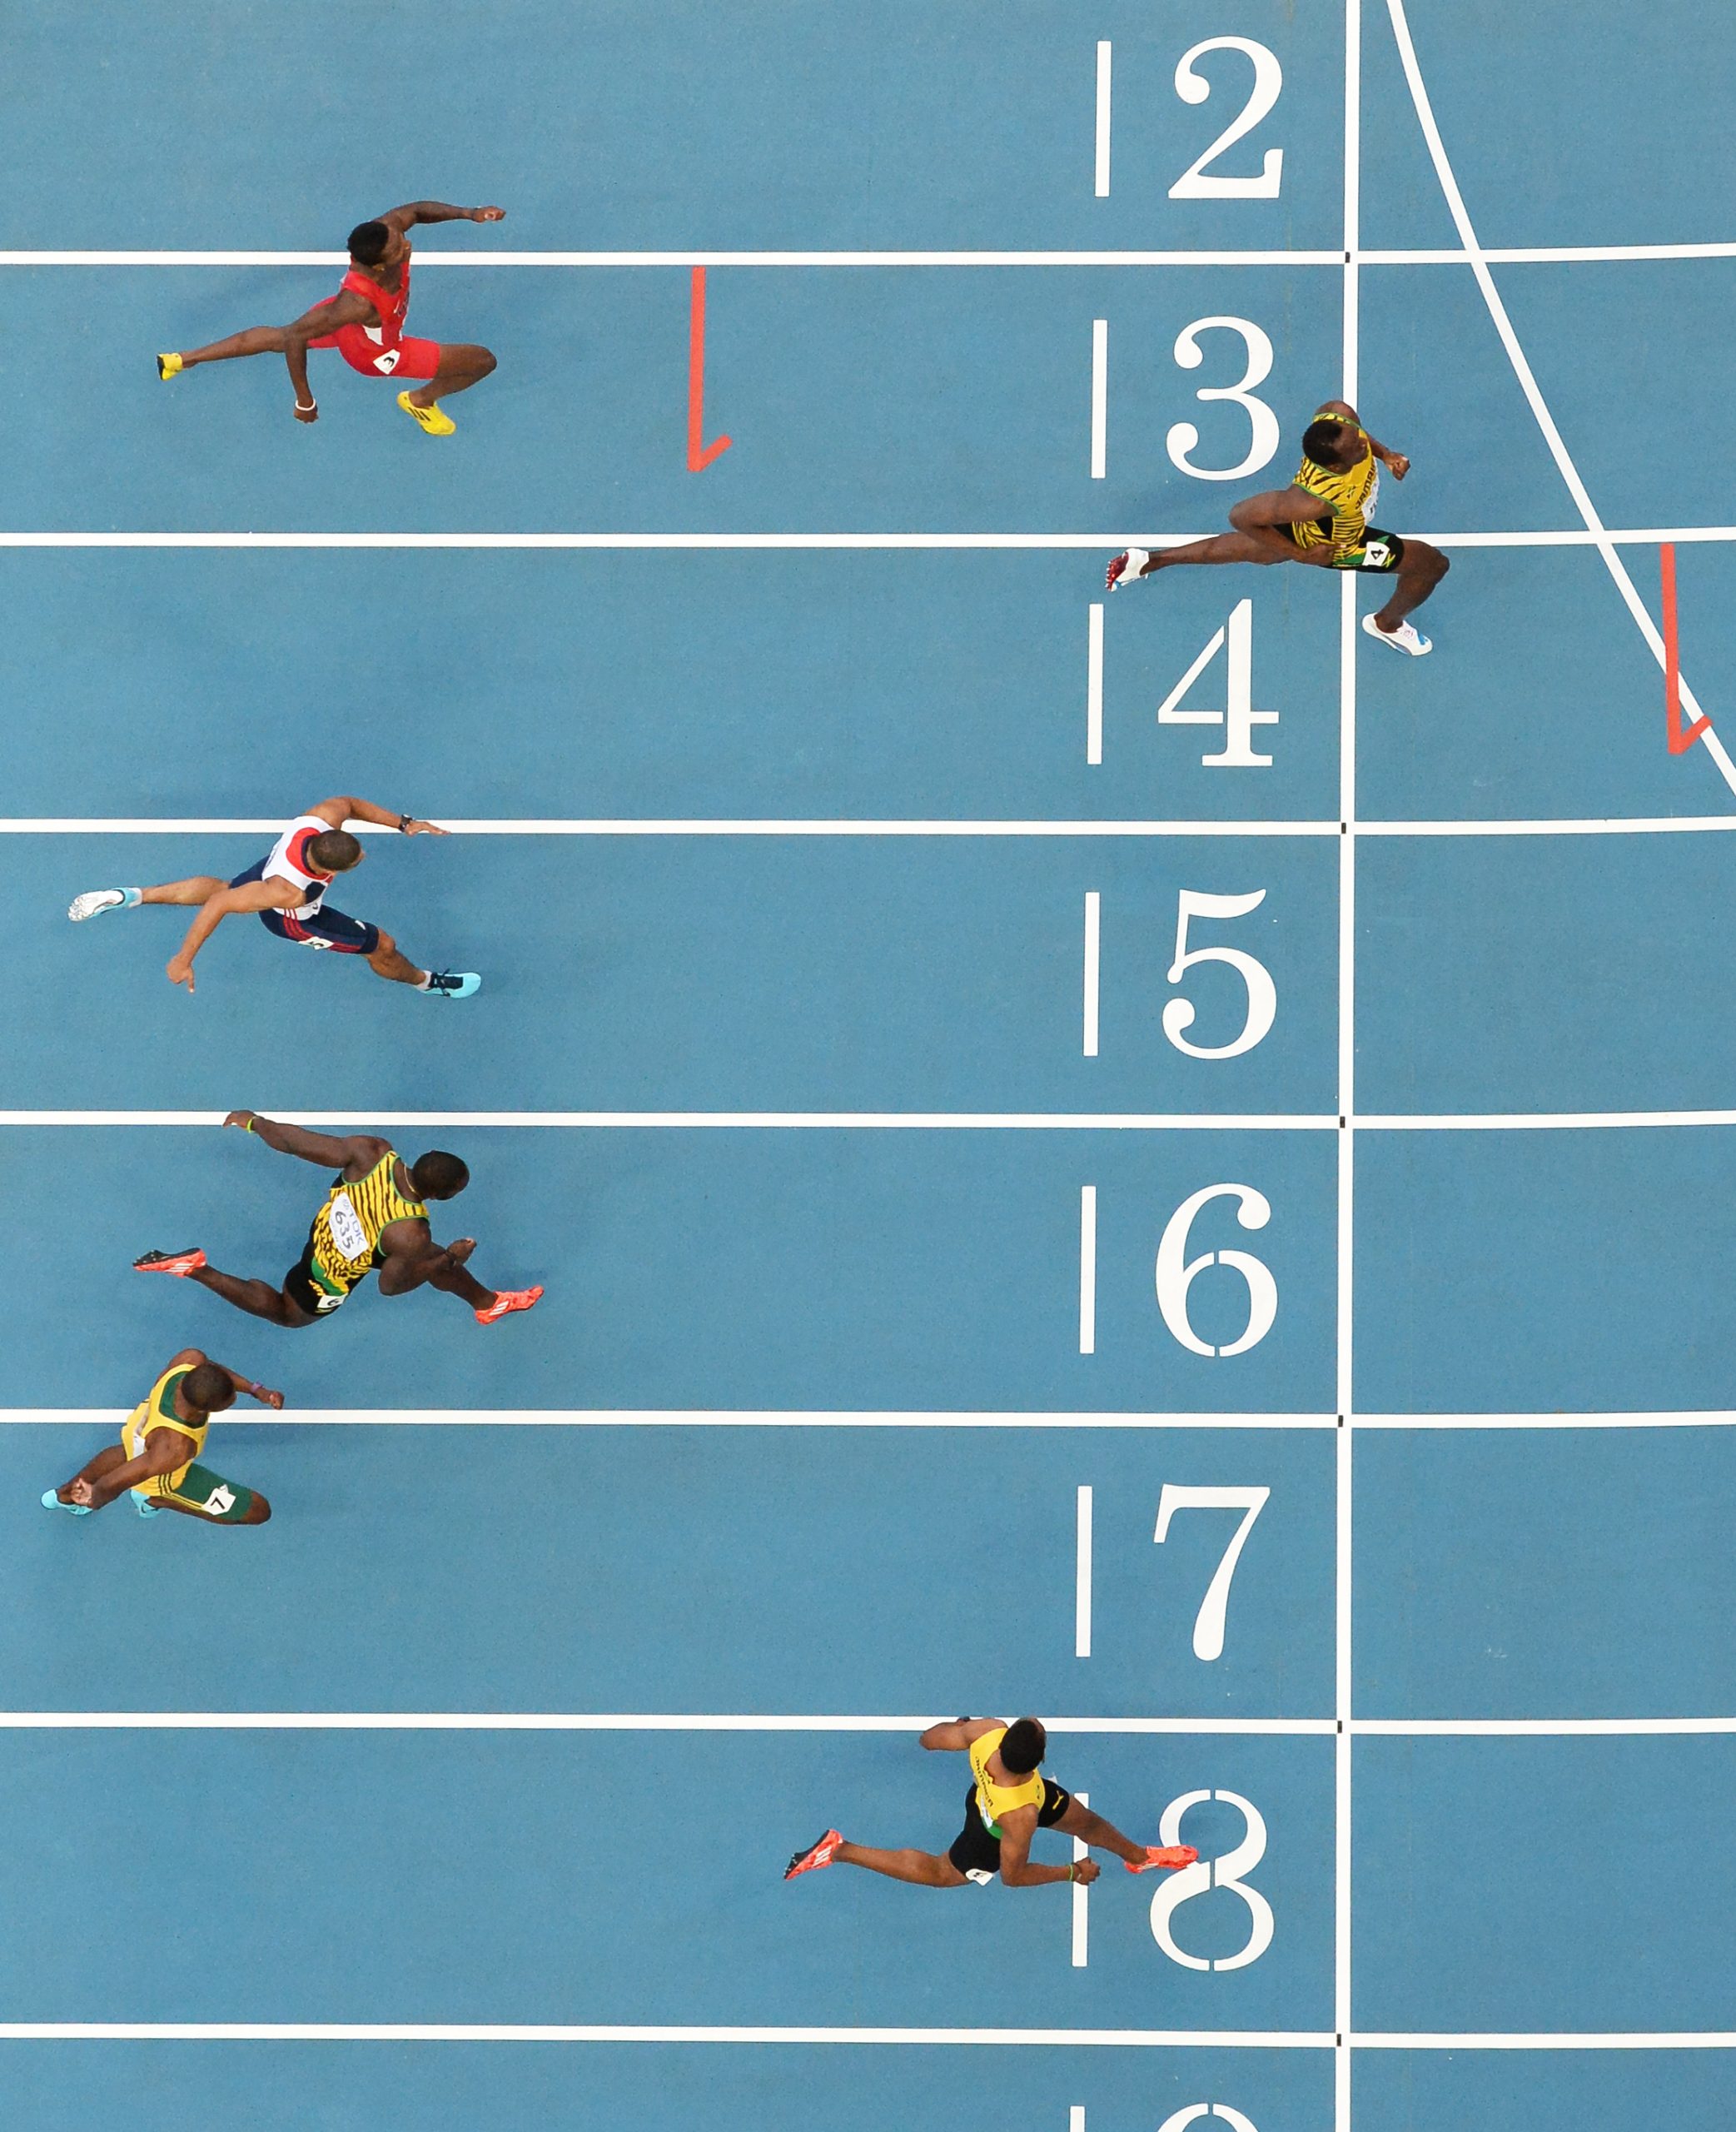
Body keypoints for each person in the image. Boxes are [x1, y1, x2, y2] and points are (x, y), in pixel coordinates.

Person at [132, 1110, 543, 1328]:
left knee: (431, 1257)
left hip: (335, 1231)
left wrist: (256, 1123)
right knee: (287, 1312)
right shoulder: (411, 1233)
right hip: (329, 1270)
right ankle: (197, 1269)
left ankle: (488, 1304)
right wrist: (450, 1257)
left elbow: (295, 1143)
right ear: (442, 1195)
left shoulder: (373, 1152)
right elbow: (390, 1286)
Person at [1107, 399, 1450, 656]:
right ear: (1334, 465)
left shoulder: (1338, 415)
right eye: (1356, 448)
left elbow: (1346, 426)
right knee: (1431, 564)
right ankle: (1387, 625)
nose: (1364, 446)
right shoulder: (1311, 502)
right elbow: (1241, 516)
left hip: (1333, 520)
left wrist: (1386, 455)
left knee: (1257, 551)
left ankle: (1149, 561)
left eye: (1359, 438)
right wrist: (1304, 555)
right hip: (1336, 541)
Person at [68, 793, 480, 999]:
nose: (364, 856)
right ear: (332, 870)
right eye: (357, 861)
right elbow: (218, 907)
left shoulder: (318, 822)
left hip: (270, 867)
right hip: (294, 920)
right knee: (382, 945)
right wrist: (183, 959)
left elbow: (349, 803)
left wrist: (404, 823)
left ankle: (130, 896)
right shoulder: (289, 894)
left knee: (228, 887)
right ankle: (426, 982)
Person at [155, 201, 505, 436]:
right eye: (398, 249)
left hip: (351, 325)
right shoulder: (355, 305)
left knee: (277, 337)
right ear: (377, 266)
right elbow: (296, 339)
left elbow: (414, 211)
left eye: (400, 238)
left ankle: (182, 359)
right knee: (483, 361)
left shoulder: (384, 232)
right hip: (375, 351)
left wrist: (470, 213)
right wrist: (305, 400)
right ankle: (420, 401)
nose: (406, 245)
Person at [783, 1716, 1197, 1890]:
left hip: (1002, 1790)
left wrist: (952, 1729)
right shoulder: (1020, 1818)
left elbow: (930, 1739)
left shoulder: (988, 1733)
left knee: (1087, 1823)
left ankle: (1140, 1858)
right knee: (941, 1872)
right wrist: (1073, 1872)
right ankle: (839, 1850)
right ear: (1039, 1761)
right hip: (992, 1826)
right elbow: (1013, 1877)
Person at [42, 1347, 280, 1526]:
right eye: (229, 1400)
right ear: (206, 1409)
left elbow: (212, 1372)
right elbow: (117, 1481)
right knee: (258, 1511)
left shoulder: (189, 1361)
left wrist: (255, 1390)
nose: (234, 1398)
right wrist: (95, 1498)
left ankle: (64, 1496)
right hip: (160, 1475)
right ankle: (154, 1500)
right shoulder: (177, 1448)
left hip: (141, 1428)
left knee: (127, 1453)